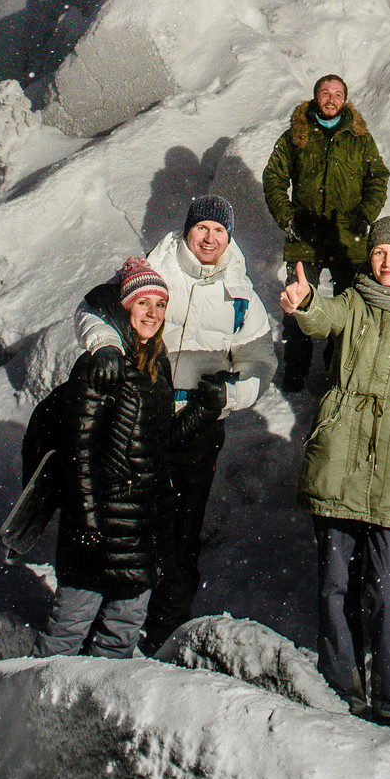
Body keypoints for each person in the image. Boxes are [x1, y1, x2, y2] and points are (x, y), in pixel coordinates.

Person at [75, 194, 278, 651]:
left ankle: (166, 626)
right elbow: (92, 311)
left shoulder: (240, 291)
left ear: (229, 238)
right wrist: (105, 347)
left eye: (219, 231)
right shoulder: (154, 269)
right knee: (127, 523)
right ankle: (113, 621)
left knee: (183, 531)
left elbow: (260, 359)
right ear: (188, 230)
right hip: (140, 419)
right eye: (202, 228)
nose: (209, 238)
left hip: (200, 426)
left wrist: (230, 394)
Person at [278, 214, 390, 728]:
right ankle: (341, 685)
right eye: (379, 253)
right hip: (343, 460)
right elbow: (321, 317)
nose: (388, 261)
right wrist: (305, 303)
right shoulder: (355, 302)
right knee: (336, 583)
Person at [37, 257, 224, 659]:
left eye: (160, 305)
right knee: (67, 633)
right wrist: (86, 518)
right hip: (101, 524)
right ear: (126, 307)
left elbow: (157, 445)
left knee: (120, 636)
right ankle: (27, 709)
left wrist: (203, 411)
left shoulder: (157, 366)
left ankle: (95, 715)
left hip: (142, 527)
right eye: (143, 304)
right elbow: (79, 451)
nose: (153, 313)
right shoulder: (99, 365)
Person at [262, 74, 390, 390]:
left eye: (337, 94)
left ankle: (338, 371)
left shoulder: (360, 139)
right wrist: (289, 219)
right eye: (325, 92)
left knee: (349, 306)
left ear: (344, 100)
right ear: (315, 97)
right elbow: (274, 178)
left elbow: (378, 178)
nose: (331, 98)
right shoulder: (296, 136)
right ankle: (296, 372)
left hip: (348, 239)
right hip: (304, 238)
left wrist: (365, 215)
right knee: (298, 304)